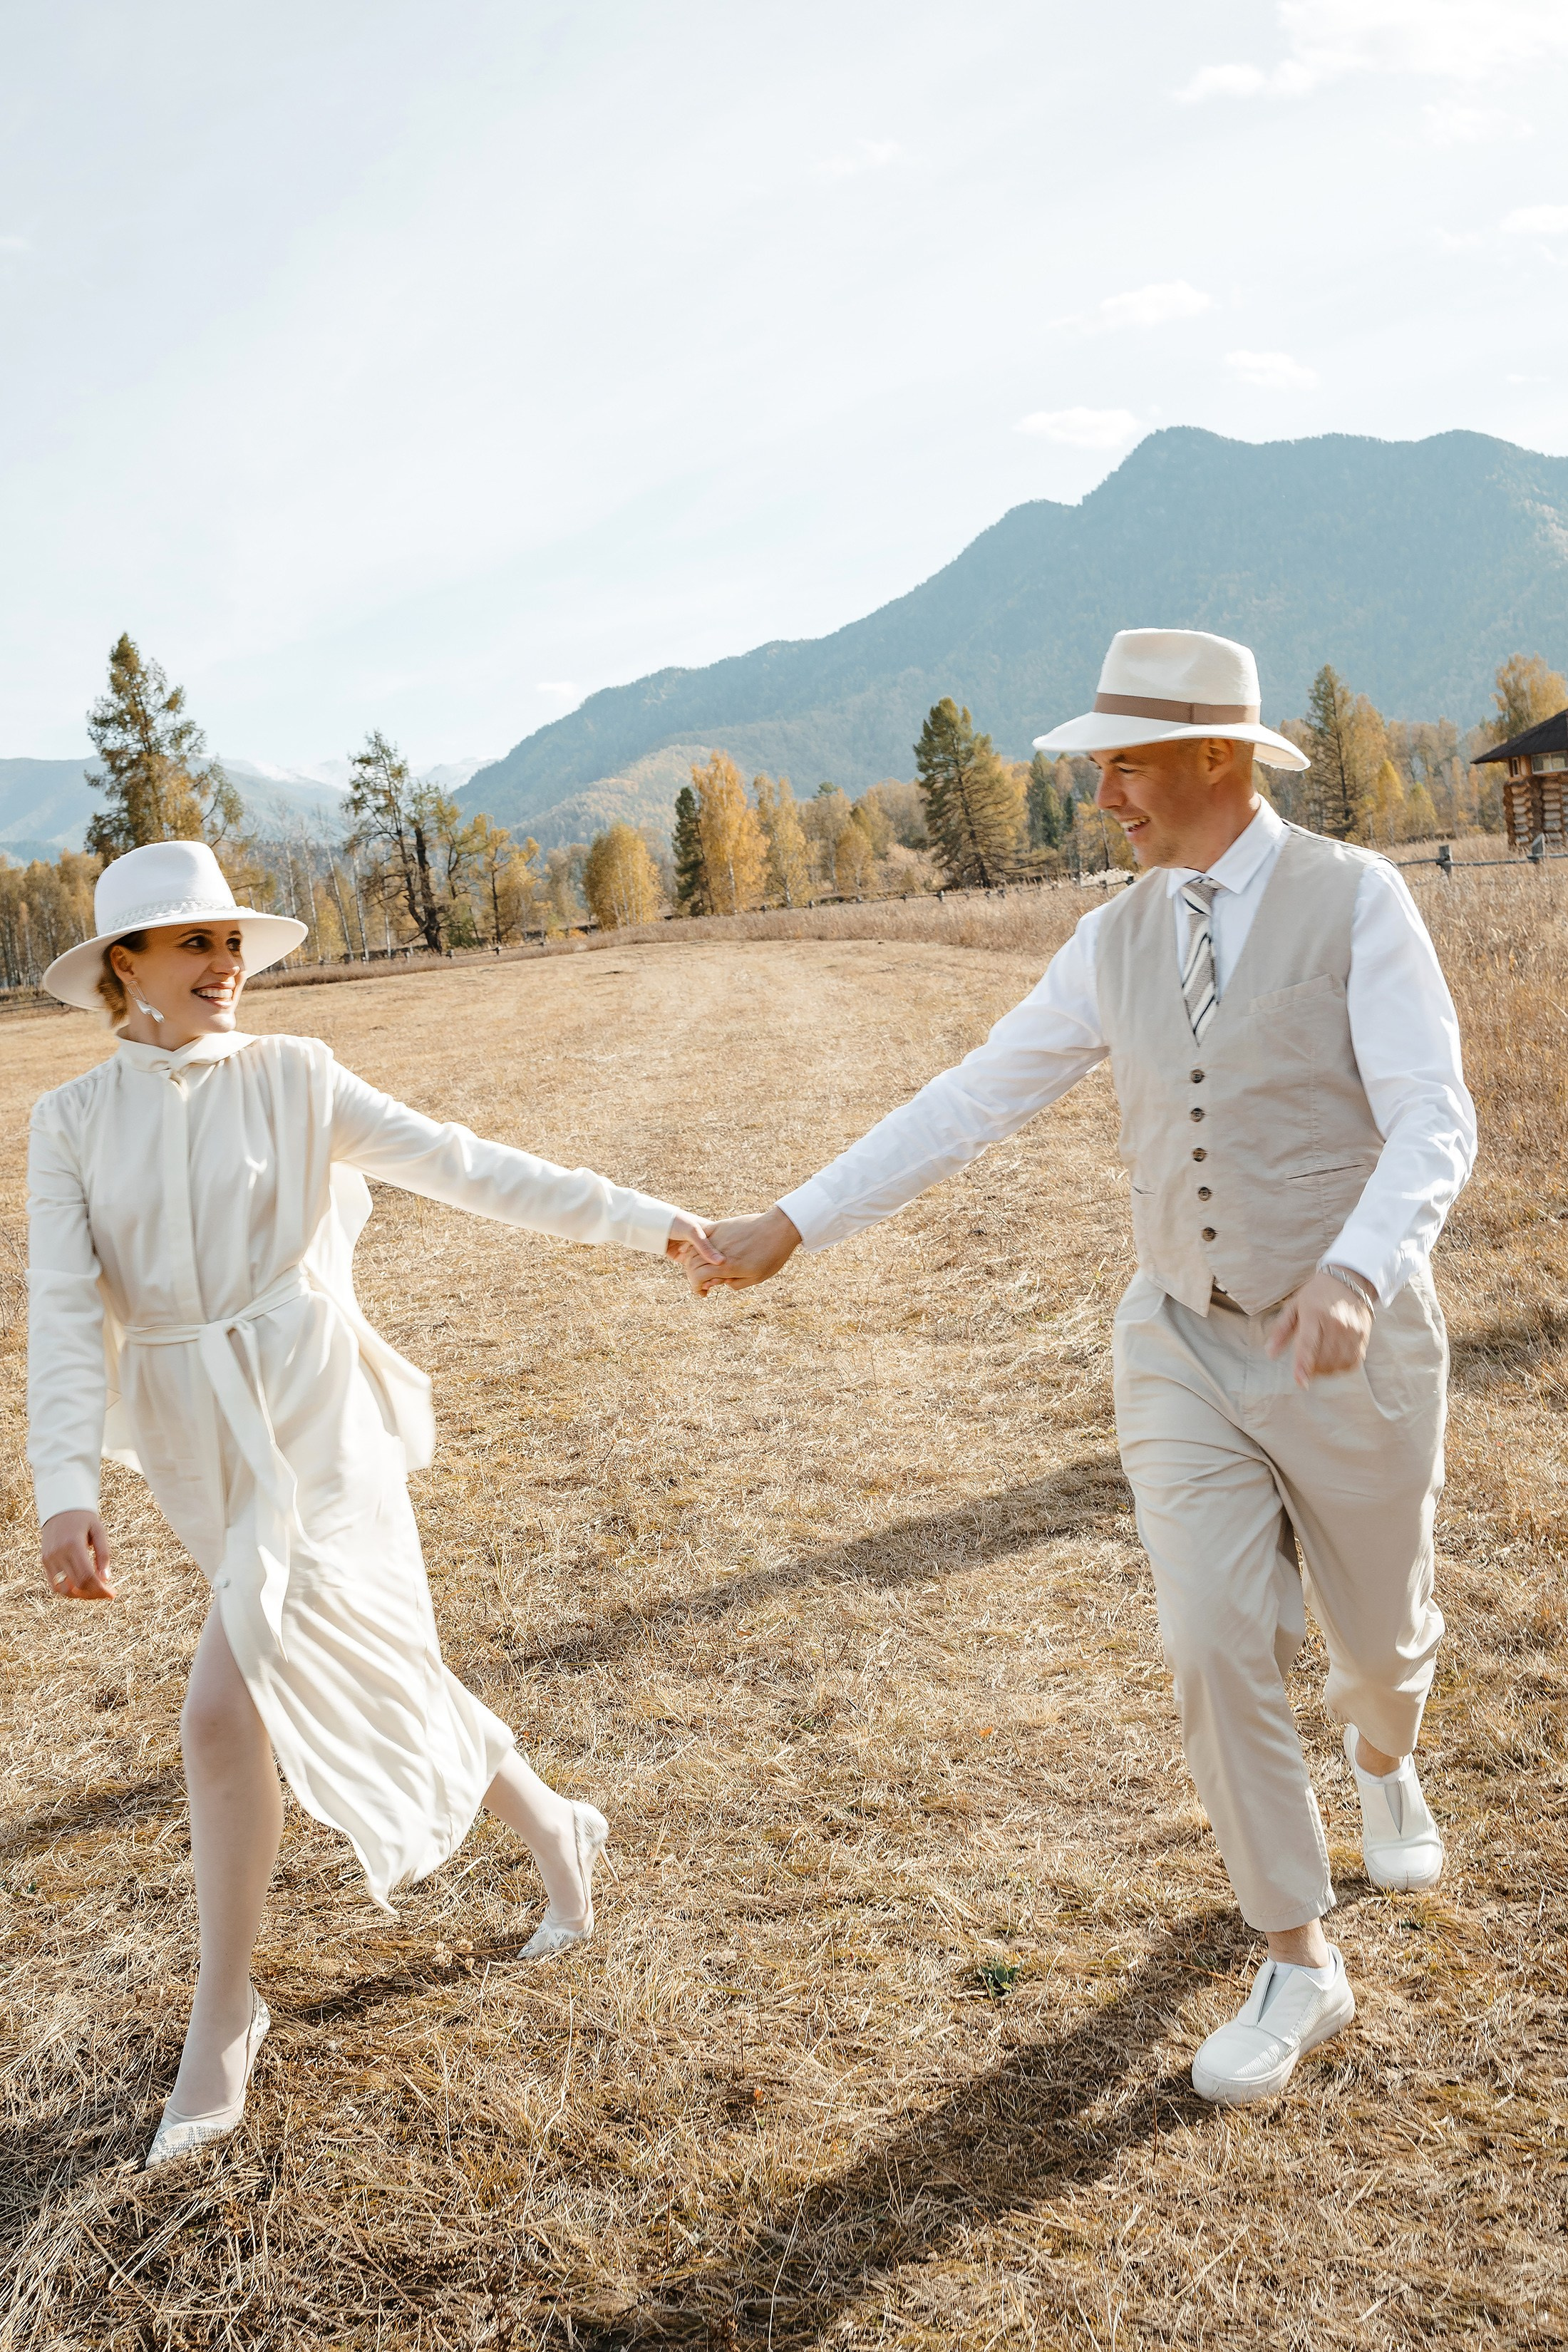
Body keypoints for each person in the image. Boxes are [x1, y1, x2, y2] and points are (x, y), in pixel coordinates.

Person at [690, 629, 1476, 2106]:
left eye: (1123, 764)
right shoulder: (1111, 938)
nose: (1100, 795)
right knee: (1210, 1636)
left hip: (1349, 1347)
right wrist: (793, 1221)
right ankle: (1296, 1956)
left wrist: (1357, 1272)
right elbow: (973, 1096)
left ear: (1215, 758)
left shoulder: (1355, 899)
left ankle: (1384, 1756)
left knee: (1381, 1646)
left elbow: (1434, 1116)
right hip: (1178, 1336)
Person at [29, 839, 723, 2167]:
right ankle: (558, 1827)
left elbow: (471, 1165)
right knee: (353, 1649)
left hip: (316, 1413)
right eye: (195, 943)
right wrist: (66, 1488)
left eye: (233, 941)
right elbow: (63, 1314)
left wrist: (652, 1222)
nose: (226, 964)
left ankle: (225, 2014)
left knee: (223, 1708)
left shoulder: (298, 1075)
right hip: (189, 1436)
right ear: (127, 964)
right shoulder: (69, 1123)